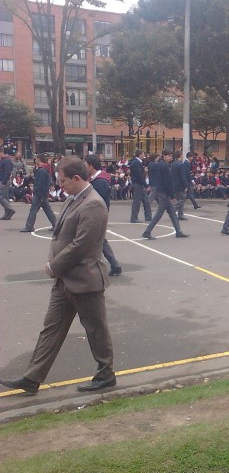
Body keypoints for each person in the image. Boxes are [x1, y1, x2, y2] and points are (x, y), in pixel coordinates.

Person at [0, 156, 116, 395]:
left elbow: (82, 245)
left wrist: (54, 265)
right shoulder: (74, 198)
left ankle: (106, 374)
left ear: (77, 178)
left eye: (63, 181)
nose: (59, 185)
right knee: (51, 329)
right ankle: (32, 377)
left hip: (85, 280)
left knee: (96, 329)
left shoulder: (93, 204)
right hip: (65, 279)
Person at [84, 154, 122, 276]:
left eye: (86, 164)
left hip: (97, 214)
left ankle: (96, 267)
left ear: (91, 166)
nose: (84, 166)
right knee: (99, 240)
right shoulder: (97, 178)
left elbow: (97, 201)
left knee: (93, 241)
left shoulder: (100, 181)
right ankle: (114, 265)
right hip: (98, 214)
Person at [142, 149, 189, 240]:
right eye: (169, 156)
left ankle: (178, 231)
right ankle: (147, 232)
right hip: (164, 193)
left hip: (162, 192)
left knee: (172, 213)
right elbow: (167, 182)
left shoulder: (161, 164)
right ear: (164, 156)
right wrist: (172, 196)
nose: (171, 157)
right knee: (159, 214)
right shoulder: (164, 166)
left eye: (171, 156)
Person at [20, 153, 57, 233]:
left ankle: (29, 226)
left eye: (36, 159)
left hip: (39, 194)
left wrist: (38, 193)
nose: (35, 160)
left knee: (33, 210)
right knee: (47, 210)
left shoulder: (41, 171)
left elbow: (40, 184)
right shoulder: (46, 169)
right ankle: (56, 225)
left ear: (39, 159)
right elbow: (48, 181)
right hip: (43, 194)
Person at [129, 149, 153, 223]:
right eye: (143, 154)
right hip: (138, 184)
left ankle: (148, 216)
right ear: (139, 155)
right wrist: (146, 185)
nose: (144, 156)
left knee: (146, 201)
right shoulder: (136, 163)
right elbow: (139, 176)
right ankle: (134, 218)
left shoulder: (138, 162)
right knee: (137, 202)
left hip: (140, 184)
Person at [171, 151, 190, 220]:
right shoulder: (181, 164)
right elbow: (183, 176)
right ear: (180, 156)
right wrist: (186, 185)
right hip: (180, 185)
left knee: (178, 199)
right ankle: (173, 208)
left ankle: (180, 214)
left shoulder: (173, 164)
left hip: (174, 184)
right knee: (182, 199)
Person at [0, 149, 16, 220]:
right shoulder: (2, 160)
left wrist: (4, 182)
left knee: (1, 197)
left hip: (4, 181)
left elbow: (7, 171)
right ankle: (7, 214)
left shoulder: (6, 161)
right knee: (5, 197)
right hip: (3, 180)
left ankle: (10, 209)